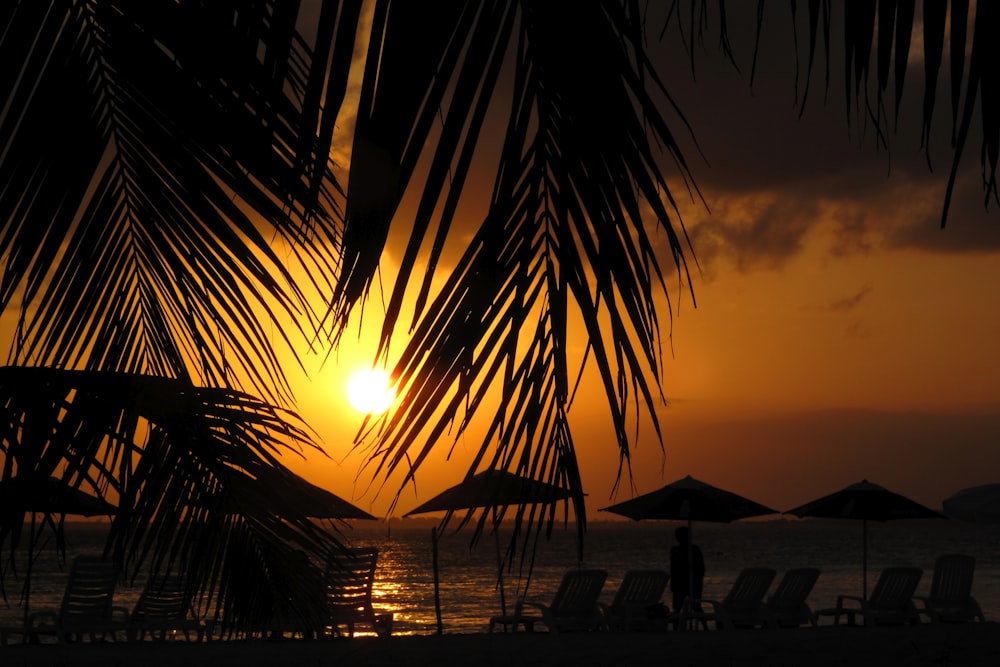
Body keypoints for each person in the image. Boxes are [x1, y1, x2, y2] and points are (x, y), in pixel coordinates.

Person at [669, 526, 705, 615]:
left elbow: (700, 569)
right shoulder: (675, 550)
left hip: (692, 583)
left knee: (695, 606)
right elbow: (673, 569)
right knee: (678, 608)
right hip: (680, 583)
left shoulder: (694, 550)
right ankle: (678, 627)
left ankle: (705, 627)